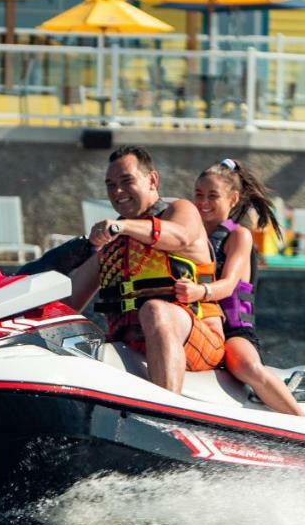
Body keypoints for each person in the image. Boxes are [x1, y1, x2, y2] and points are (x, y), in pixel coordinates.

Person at [66, 146, 225, 394]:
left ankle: (167, 411)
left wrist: (123, 227)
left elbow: (180, 237)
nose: (117, 191)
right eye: (110, 185)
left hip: (200, 338)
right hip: (132, 342)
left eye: (126, 181)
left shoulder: (180, 211)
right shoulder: (115, 242)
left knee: (154, 309)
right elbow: (70, 299)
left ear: (152, 180)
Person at [175, 159, 305, 417]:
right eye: (198, 195)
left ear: (233, 199)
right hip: (198, 324)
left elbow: (228, 284)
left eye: (213, 196)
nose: (203, 202)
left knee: (246, 365)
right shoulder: (188, 235)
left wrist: (200, 292)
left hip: (233, 331)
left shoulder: (239, 236)